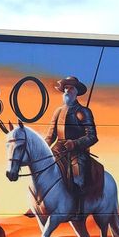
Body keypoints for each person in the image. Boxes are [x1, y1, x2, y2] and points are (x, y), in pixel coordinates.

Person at [44, 76, 98, 217]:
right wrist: (44, 148)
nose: (67, 90)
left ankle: (78, 209)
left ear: (76, 91)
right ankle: (40, 203)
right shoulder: (58, 111)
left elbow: (92, 136)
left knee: (77, 176)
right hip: (58, 148)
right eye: (66, 88)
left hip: (77, 151)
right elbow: (50, 135)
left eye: (71, 88)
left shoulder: (84, 112)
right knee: (43, 169)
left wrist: (75, 143)